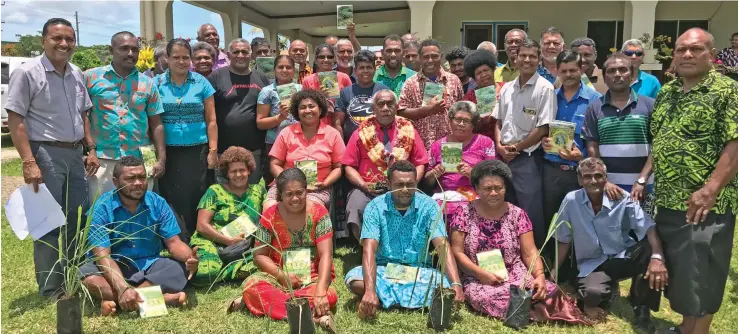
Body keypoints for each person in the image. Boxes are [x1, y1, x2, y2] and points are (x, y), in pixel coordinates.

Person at [650, 28, 738, 334]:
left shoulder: (728, 91)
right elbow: (659, 139)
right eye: (681, 49)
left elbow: (735, 142)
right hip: (668, 201)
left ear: (711, 55)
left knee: (703, 276)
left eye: (696, 49)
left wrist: (711, 189)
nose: (687, 54)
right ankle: (686, 327)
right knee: (684, 275)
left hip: (704, 206)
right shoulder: (667, 92)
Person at [5, 18, 96, 298]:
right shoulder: (28, 73)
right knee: (47, 222)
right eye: (57, 38)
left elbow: (84, 114)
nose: (64, 44)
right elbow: (15, 119)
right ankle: (50, 287)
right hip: (44, 152)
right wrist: (29, 162)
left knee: (77, 219)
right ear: (44, 40)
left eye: (69, 39)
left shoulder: (76, 73)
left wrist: (90, 148)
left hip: (74, 153)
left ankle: (74, 277)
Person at [552, 158, 666, 330]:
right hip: (593, 264)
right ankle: (605, 288)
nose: (593, 181)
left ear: (606, 178)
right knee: (591, 295)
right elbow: (563, 239)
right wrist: (554, 274)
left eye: (598, 176)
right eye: (587, 176)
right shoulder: (571, 200)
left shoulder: (622, 198)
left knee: (650, 249)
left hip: (623, 256)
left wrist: (658, 256)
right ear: (579, 180)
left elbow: (648, 226)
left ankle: (642, 306)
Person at [80, 156, 199, 316]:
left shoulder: (157, 202)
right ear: (115, 182)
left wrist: (188, 258)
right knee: (89, 279)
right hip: (113, 265)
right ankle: (161, 299)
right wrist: (122, 287)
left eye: (142, 177)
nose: (138, 183)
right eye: (130, 178)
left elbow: (174, 243)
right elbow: (103, 257)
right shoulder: (101, 208)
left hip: (149, 264)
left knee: (178, 269)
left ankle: (122, 300)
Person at [344, 160, 464, 318]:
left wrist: (456, 284)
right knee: (354, 278)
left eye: (410, 184)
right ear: (388, 183)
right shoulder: (375, 207)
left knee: (444, 285)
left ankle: (383, 300)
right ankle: (399, 299)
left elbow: (442, 245)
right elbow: (369, 250)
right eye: (399, 184)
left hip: (419, 272)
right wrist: (371, 289)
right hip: (385, 270)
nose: (406, 190)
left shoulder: (429, 206)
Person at [449, 160, 558, 320]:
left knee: (550, 291)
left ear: (505, 188)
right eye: (487, 188)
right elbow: (457, 252)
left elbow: (530, 252)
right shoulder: (464, 213)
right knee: (486, 298)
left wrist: (540, 276)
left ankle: (524, 307)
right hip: (478, 276)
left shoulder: (518, 214)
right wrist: (481, 274)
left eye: (498, 188)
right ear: (477, 189)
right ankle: (527, 308)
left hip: (515, 272)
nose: (493, 193)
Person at [237, 168, 337, 330]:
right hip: (278, 277)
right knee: (251, 286)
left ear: (307, 191)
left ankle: (276, 306)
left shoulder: (319, 212)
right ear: (280, 195)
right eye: (289, 194)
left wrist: (319, 292)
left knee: (330, 295)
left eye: (300, 192)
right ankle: (311, 314)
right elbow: (259, 255)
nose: (295, 198)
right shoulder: (269, 215)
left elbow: (326, 255)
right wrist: (281, 275)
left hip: (312, 276)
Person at [85, 31, 165, 199]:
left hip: (141, 157)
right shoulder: (91, 78)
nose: (130, 53)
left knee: (141, 210)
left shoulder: (148, 83)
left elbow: (156, 123)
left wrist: (161, 159)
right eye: (124, 48)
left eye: (135, 49)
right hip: (103, 157)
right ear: (111, 50)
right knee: (100, 209)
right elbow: (82, 116)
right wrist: (89, 150)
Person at [493, 39, 555, 249]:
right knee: (505, 207)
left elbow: (544, 127)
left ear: (539, 60)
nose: (527, 60)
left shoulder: (545, 89)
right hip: (504, 158)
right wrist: (500, 147)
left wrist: (516, 148)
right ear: (516, 58)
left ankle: (535, 257)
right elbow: (498, 121)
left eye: (532, 56)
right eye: (523, 55)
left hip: (528, 158)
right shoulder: (507, 88)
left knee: (529, 210)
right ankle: (510, 252)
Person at [153, 38, 218, 239]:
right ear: (167, 58)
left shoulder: (201, 82)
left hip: (197, 150)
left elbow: (211, 120)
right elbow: (153, 120)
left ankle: (201, 238)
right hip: (168, 151)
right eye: (176, 57)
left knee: (197, 194)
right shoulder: (156, 84)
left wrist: (213, 151)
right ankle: (178, 240)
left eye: (185, 57)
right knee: (172, 196)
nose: (181, 62)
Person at [343, 90, 428, 242]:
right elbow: (348, 166)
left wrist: (411, 184)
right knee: (355, 205)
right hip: (369, 187)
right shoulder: (361, 132)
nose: (385, 108)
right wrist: (363, 185)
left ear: (396, 107)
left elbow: (421, 162)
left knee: (424, 206)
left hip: (403, 186)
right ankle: (366, 246)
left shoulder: (409, 130)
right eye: (380, 104)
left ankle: (408, 245)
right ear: (373, 109)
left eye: (390, 104)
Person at [541, 50, 601, 228]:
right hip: (551, 171)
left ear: (581, 69)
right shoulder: (549, 96)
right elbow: (541, 128)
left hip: (579, 172)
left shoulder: (594, 99)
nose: (568, 75)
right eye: (564, 71)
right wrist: (543, 140)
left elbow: (598, 138)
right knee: (551, 219)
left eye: (573, 70)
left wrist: (580, 157)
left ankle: (578, 256)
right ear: (557, 71)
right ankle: (552, 255)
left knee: (581, 221)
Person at [584, 53, 655, 199]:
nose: (617, 74)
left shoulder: (649, 105)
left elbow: (657, 146)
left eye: (623, 70)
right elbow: (592, 146)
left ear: (632, 75)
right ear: (604, 77)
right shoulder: (595, 108)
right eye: (611, 71)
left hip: (643, 188)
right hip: (609, 189)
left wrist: (642, 180)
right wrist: (605, 181)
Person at [190, 146, 266, 284]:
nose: (238, 175)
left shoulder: (258, 191)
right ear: (227, 173)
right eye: (233, 171)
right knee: (207, 272)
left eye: (242, 170)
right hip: (211, 241)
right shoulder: (215, 191)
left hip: (244, 244)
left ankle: (227, 269)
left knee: (262, 266)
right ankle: (228, 270)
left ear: (249, 170)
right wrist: (228, 241)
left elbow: (268, 219)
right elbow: (202, 226)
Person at [266, 90, 346, 209]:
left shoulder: (333, 134)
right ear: (297, 112)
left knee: (309, 209)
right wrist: (287, 181)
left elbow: (339, 167)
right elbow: (274, 164)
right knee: (270, 207)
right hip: (285, 187)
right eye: (302, 107)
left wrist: (326, 183)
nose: (307, 110)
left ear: (320, 109)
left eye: (311, 106)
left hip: (317, 190)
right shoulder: (286, 132)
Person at [209, 38, 271, 184]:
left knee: (251, 193)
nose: (240, 55)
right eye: (236, 52)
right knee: (224, 195)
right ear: (228, 55)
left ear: (251, 55)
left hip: (254, 150)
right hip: (223, 150)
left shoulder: (261, 78)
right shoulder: (216, 76)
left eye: (245, 52)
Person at [426, 101, 496, 217]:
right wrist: (434, 173)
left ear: (473, 124)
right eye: (457, 119)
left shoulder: (485, 143)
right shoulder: (437, 145)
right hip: (444, 198)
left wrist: (473, 174)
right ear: (450, 121)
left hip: (475, 197)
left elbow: (493, 177)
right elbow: (426, 183)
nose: (461, 124)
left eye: (467, 121)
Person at [398, 39, 464, 149]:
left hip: (450, 144)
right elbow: (401, 112)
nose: (430, 60)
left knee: (452, 167)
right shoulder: (410, 83)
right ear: (419, 58)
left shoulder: (454, 80)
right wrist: (428, 110)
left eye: (434, 56)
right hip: (420, 146)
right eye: (425, 57)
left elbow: (462, 111)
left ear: (441, 56)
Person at [256, 55, 303, 185]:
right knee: (274, 181)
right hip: (274, 142)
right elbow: (260, 123)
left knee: (297, 178)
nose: (284, 70)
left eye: (288, 67)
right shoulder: (267, 91)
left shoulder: (300, 89)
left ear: (294, 70)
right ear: (275, 69)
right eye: (280, 67)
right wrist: (280, 117)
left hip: (298, 142)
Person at [334, 50, 389, 142]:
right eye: (362, 68)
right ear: (355, 71)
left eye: (369, 67)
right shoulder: (345, 92)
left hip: (379, 146)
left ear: (374, 69)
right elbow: (337, 123)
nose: (365, 71)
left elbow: (391, 121)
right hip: (351, 146)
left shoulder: (384, 91)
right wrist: (342, 147)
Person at [301, 44, 353, 126]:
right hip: (316, 125)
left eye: (329, 57)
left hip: (340, 125)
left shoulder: (344, 78)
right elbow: (304, 105)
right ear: (316, 59)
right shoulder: (307, 81)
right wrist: (318, 97)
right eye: (321, 57)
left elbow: (351, 101)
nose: (326, 60)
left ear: (334, 59)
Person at [461, 49, 499, 142]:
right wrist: (480, 121)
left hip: (505, 143)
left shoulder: (507, 88)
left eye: (486, 70)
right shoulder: (468, 99)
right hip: (480, 145)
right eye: (479, 73)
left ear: (493, 70)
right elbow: (465, 129)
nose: (483, 75)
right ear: (474, 78)